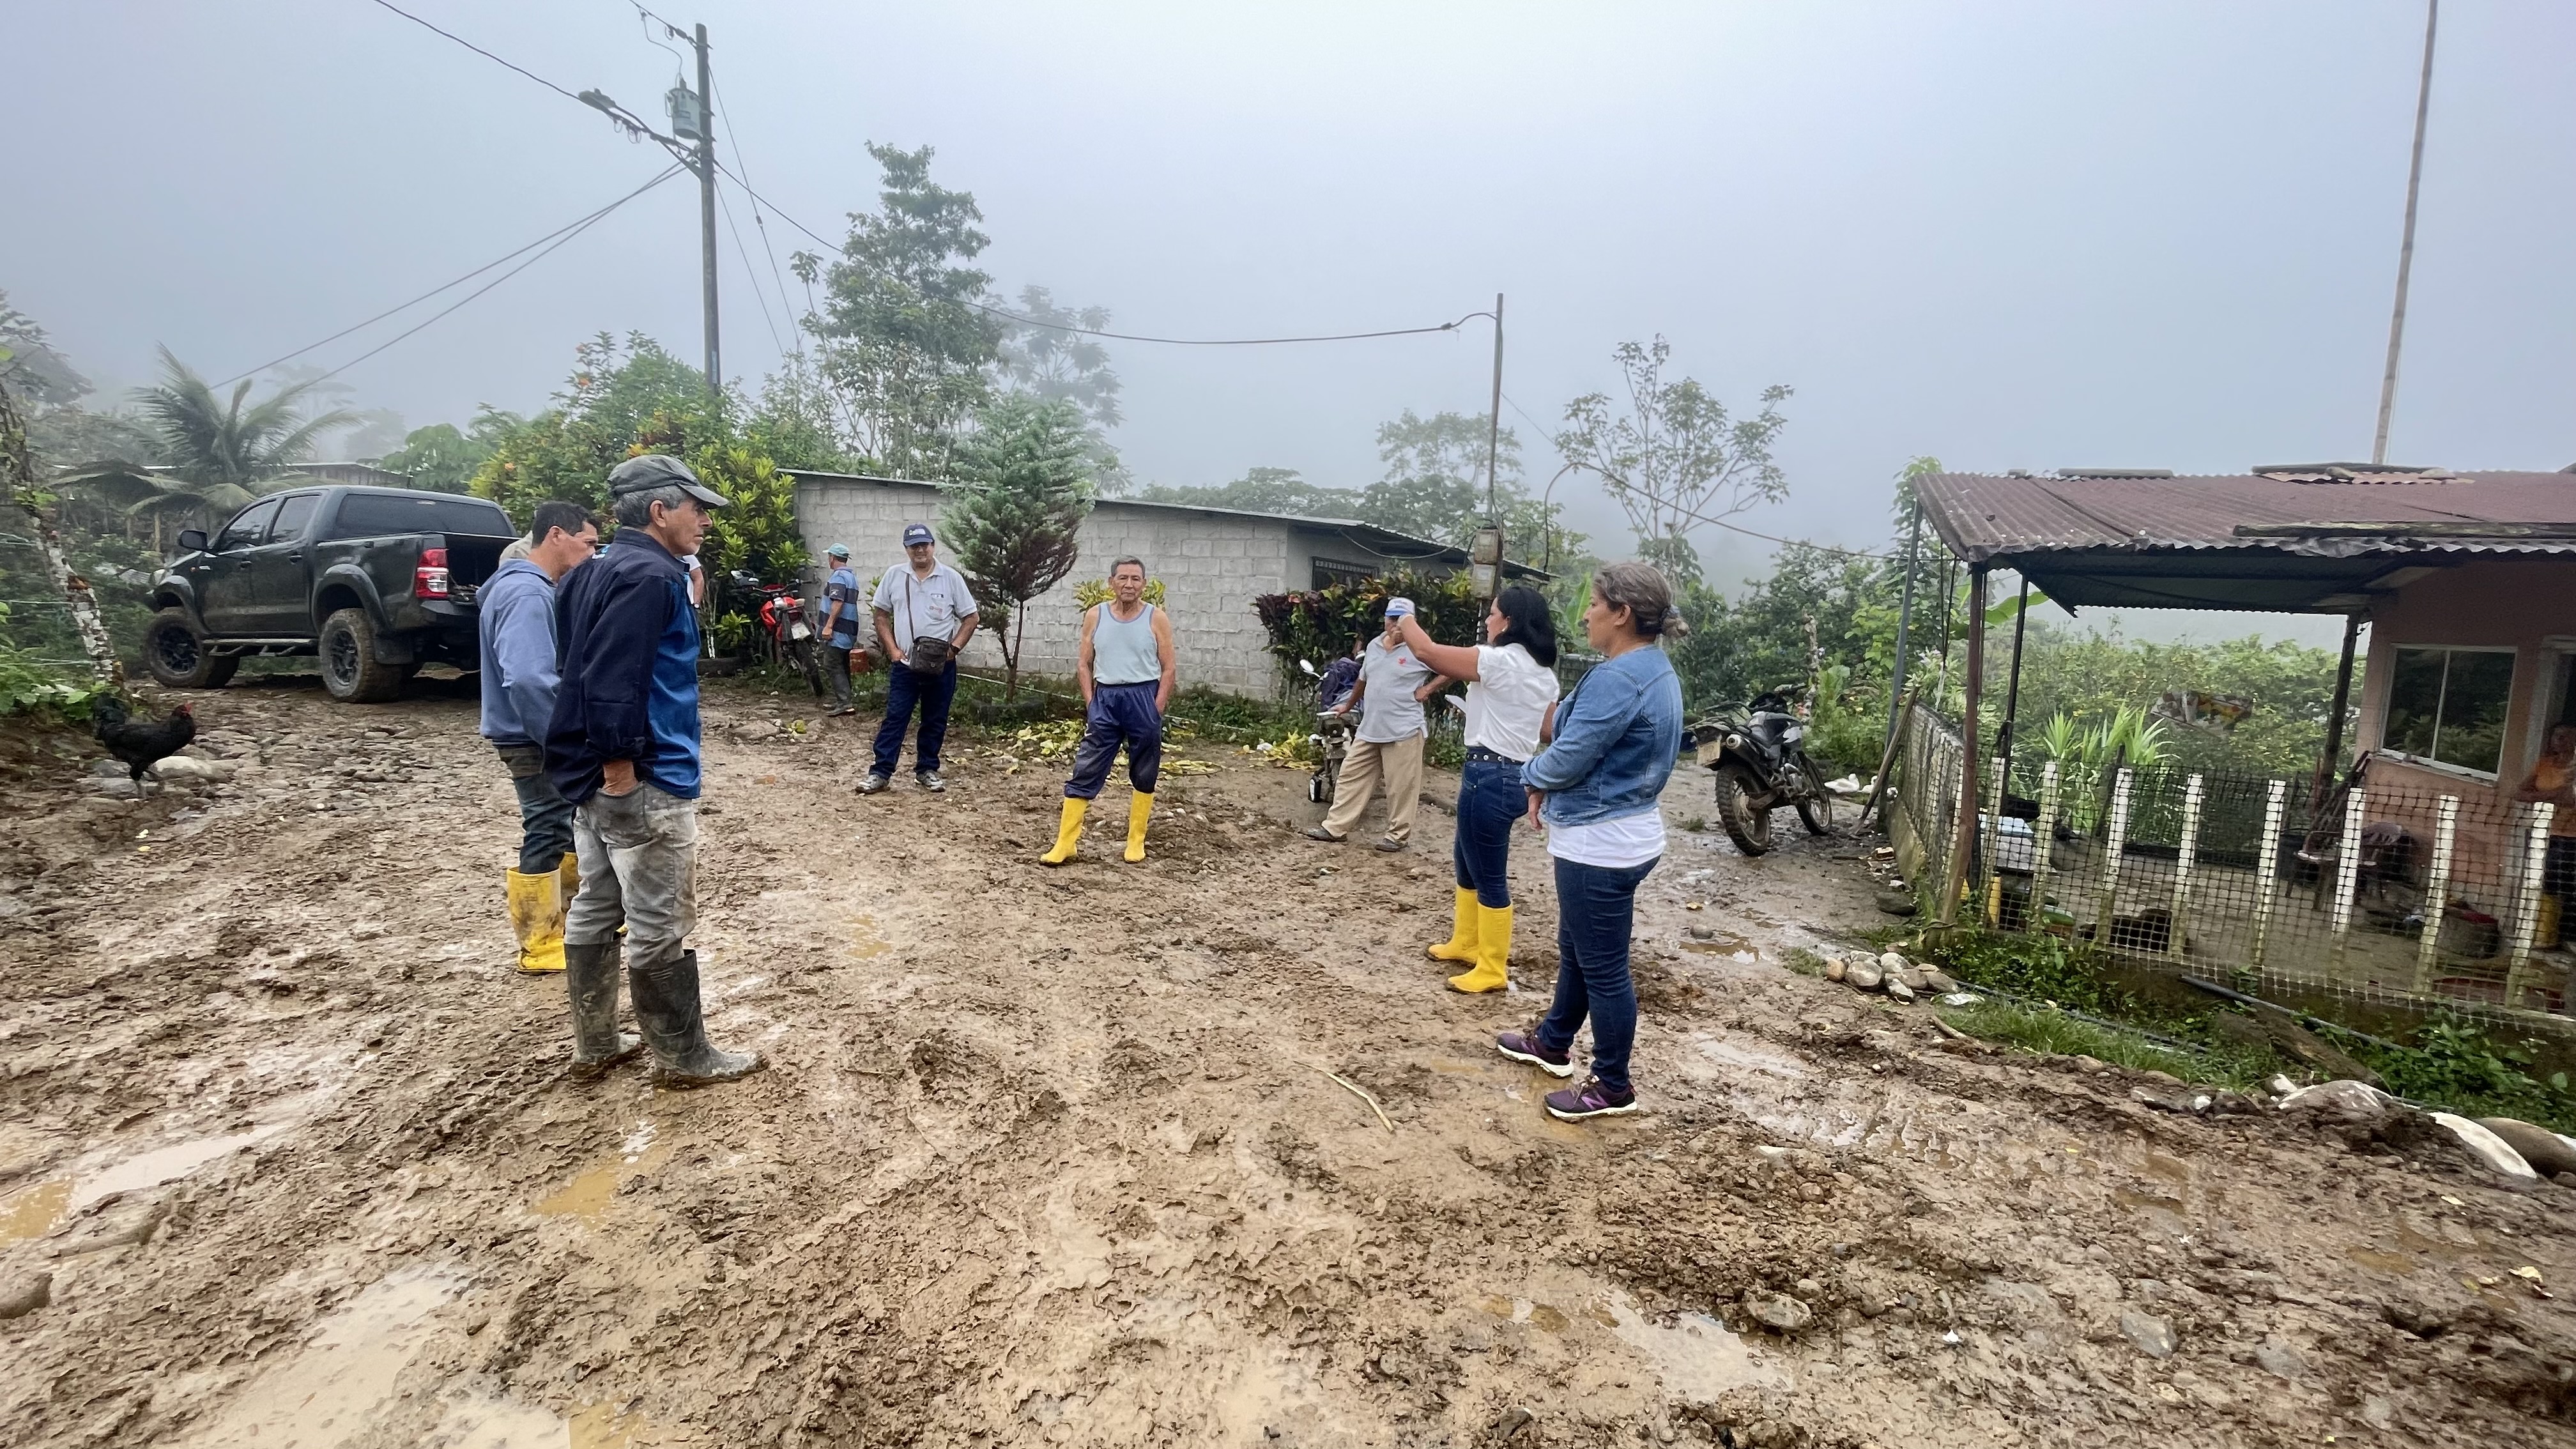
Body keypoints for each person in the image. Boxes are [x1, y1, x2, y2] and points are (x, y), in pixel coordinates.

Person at [547, 454, 762, 1087]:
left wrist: (603, 768)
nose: (706, 521)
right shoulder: (653, 578)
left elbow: (572, 667)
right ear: (660, 511)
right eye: (698, 509)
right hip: (643, 777)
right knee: (660, 919)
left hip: (590, 777)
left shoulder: (590, 572)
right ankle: (682, 1057)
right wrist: (621, 768)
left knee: (596, 904)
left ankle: (597, 1044)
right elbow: (614, 679)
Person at [1494, 563, 1687, 1121]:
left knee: (1603, 967)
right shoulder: (1653, 669)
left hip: (1600, 841)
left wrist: (1532, 778)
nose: (1585, 614)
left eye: (1595, 604)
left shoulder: (1619, 678)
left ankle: (1613, 1085)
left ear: (1621, 614)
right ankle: (1554, 1041)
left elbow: (1571, 755)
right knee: (1580, 948)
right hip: (1625, 830)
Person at [1390, 585, 1560, 993]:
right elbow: (1546, 731)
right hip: (1506, 773)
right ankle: (1466, 942)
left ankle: (1492, 967)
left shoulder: (1499, 660)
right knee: (1467, 862)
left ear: (1509, 622)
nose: (1487, 620)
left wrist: (1403, 616)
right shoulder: (1543, 675)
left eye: (1493, 613)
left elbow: (1427, 652)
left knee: (1489, 875)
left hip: (1490, 776)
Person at [479, 500, 599, 975]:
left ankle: (568, 921)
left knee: (562, 822)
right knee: (547, 826)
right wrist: (560, 737)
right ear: (556, 535)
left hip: (528, 731)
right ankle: (540, 942)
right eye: (588, 543)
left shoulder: (519, 587)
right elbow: (528, 678)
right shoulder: (527, 593)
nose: (592, 554)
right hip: (531, 735)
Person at [1041, 556, 1177, 866]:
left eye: (1135, 579)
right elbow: (1083, 663)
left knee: (1144, 769)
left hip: (1143, 697)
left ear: (1144, 584)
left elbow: (1169, 668)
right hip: (1106, 698)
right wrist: (1092, 703)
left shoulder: (1156, 618)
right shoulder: (1096, 615)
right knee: (1087, 767)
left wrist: (1156, 709)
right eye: (1123, 578)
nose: (1129, 584)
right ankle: (1065, 843)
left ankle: (1136, 841)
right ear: (1111, 582)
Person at [1307, 599, 1448, 851]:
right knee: (1350, 776)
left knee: (1400, 787)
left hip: (1404, 730)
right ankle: (1335, 828)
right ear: (1385, 619)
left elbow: (1452, 668)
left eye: (1402, 620)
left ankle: (1397, 837)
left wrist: (1428, 689)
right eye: (1392, 618)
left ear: (1412, 623)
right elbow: (1362, 679)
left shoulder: (1421, 650)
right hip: (1371, 727)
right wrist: (1348, 706)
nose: (1395, 624)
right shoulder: (1374, 645)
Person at [863, 523, 979, 794]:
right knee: (895, 718)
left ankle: (927, 769)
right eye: (914, 546)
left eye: (924, 545)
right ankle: (880, 772)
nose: (920, 550)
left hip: (941, 667)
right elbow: (880, 615)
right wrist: (893, 650)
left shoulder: (950, 578)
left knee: (935, 719)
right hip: (905, 665)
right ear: (907, 549)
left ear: (933, 546)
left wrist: (954, 650)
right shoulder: (895, 576)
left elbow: (971, 617)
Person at [2515, 722, 2576, 946]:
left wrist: (2540, 796)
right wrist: (2550, 796)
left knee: (2560, 883)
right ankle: (2537, 930)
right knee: (2538, 879)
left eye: (2566, 736)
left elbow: (2569, 799)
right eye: (2556, 736)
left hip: (2570, 835)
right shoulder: (2545, 764)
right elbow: (2520, 792)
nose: (2559, 740)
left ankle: (2554, 935)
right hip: (2542, 830)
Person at [818, 543, 862, 716]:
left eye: (829, 557)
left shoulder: (838, 576)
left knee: (832, 664)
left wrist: (829, 626)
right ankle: (844, 700)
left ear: (833, 558)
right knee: (842, 665)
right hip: (848, 629)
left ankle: (844, 702)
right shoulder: (851, 576)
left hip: (838, 630)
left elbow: (838, 601)